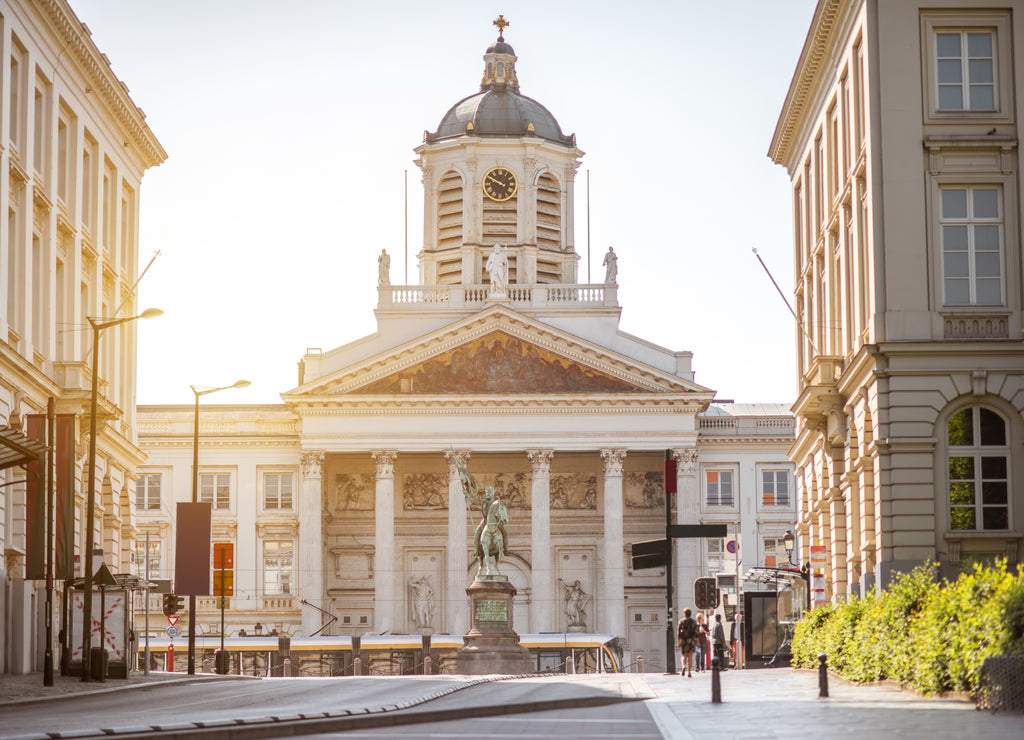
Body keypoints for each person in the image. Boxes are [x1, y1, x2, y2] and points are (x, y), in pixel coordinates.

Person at [677, 607, 698, 677]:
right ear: (690, 614)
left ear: (684, 614)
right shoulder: (693, 622)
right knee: (690, 656)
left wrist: (679, 642)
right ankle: (689, 672)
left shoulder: (681, 622)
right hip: (691, 641)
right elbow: (696, 633)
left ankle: (683, 666)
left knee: (683, 655)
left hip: (683, 640)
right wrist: (696, 640)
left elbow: (678, 633)